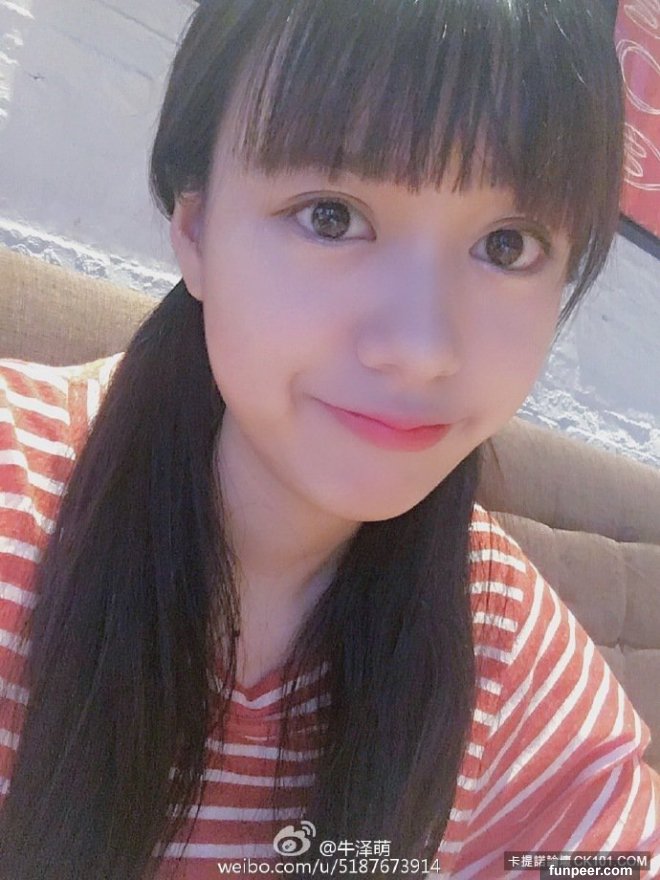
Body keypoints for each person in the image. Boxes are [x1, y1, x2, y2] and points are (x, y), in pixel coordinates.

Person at [0, 0, 658, 878]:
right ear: (195, 229)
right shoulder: (16, 489)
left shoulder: (504, 653)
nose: (421, 348)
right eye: (331, 216)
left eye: (508, 245)